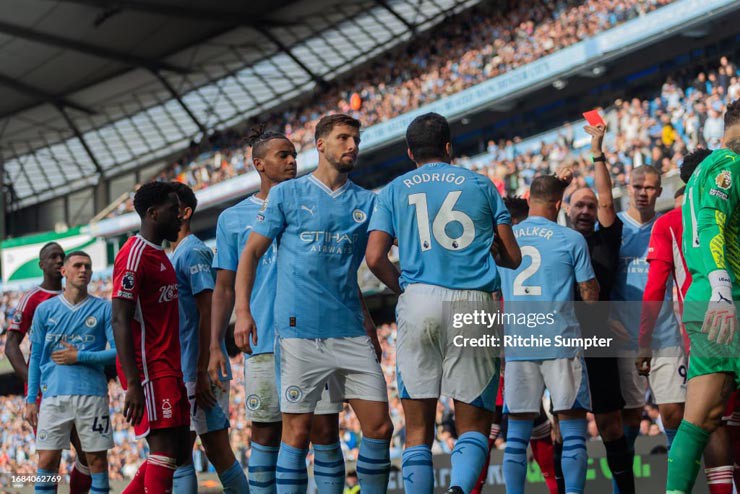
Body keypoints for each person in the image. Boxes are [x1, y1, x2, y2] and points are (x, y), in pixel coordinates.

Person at [235, 114, 393, 494]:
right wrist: (243, 311)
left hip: (350, 331)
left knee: (380, 427)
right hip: (298, 332)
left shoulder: (368, 201)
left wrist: (373, 321)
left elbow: (367, 264)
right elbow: (251, 254)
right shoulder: (287, 194)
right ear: (321, 145)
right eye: (343, 138)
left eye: (356, 138)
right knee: (298, 432)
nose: (352, 145)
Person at [366, 112, 521, 494]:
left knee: (418, 429)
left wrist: (404, 287)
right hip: (474, 301)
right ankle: (459, 490)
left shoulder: (392, 190)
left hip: (419, 299)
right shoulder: (481, 185)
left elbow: (374, 258)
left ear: (409, 152)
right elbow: (513, 258)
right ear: (449, 147)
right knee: (474, 427)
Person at [209, 126, 346, 493]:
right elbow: (222, 287)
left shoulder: (317, 205)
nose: (292, 161)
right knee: (266, 436)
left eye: (293, 155)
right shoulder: (233, 219)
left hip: (317, 338)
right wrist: (214, 345)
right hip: (263, 341)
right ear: (259, 164)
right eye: (282, 155)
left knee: (323, 432)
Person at [638, 148, 735, 494]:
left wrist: (643, 341)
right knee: (723, 420)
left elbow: (654, 289)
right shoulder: (724, 204)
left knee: (709, 420)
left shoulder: (670, 222)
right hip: (725, 308)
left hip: (699, 325)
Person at [498, 174, 598, 494]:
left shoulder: (506, 238)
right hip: (560, 340)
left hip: (518, 344)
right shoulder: (571, 239)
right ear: (558, 205)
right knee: (572, 430)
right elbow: (589, 293)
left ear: (529, 201)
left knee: (516, 435)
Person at [666, 101, 740, 494]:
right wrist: (722, 287)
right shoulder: (729, 167)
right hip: (724, 300)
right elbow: (711, 223)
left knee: (704, 416)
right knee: (700, 419)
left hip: (708, 297)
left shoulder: (705, 169)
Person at [564, 124, 635, 494]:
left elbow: (608, 198)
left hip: (600, 338)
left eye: (591, 206)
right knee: (568, 425)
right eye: (579, 204)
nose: (588, 210)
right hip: (562, 341)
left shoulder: (606, 238)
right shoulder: (556, 239)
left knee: (610, 425)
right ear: (566, 209)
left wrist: (597, 151)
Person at [472, 196, 559, 494]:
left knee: (499, 427)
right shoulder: (495, 256)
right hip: (508, 351)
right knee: (509, 426)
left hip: (511, 351)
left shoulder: (493, 255)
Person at [112, 181, 191, 493]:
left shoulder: (160, 254)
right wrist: (133, 382)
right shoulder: (134, 255)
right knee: (164, 452)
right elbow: (119, 317)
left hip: (169, 366)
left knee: (180, 451)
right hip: (149, 367)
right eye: (174, 211)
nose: (180, 217)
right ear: (152, 213)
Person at [170, 182, 248, 493]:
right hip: (189, 368)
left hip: (199, 368)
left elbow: (209, 311)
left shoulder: (194, 252)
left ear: (185, 213)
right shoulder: (177, 254)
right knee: (193, 452)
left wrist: (201, 371)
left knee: (209, 452)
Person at [609, 162, 686, 460]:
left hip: (665, 334)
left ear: (659, 190)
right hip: (625, 338)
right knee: (630, 416)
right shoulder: (614, 228)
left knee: (673, 412)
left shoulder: (667, 225)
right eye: (637, 187)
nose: (643, 193)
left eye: (650, 187)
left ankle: (677, 485)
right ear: (628, 187)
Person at [24, 251, 116, 494]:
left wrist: (80, 356)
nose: (83, 270)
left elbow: (116, 353)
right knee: (46, 462)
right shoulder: (44, 310)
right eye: (77, 265)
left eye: (87, 266)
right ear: (64, 271)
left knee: (97, 462)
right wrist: (31, 399)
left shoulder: (104, 308)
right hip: (53, 396)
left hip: (93, 395)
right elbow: (35, 357)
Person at [5, 244, 94, 493]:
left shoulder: (78, 296)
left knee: (89, 454)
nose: (58, 261)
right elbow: (11, 345)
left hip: (79, 387)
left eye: (61, 257)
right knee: (49, 461)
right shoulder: (33, 298)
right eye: (52, 257)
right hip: (46, 391)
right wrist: (32, 381)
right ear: (41, 264)